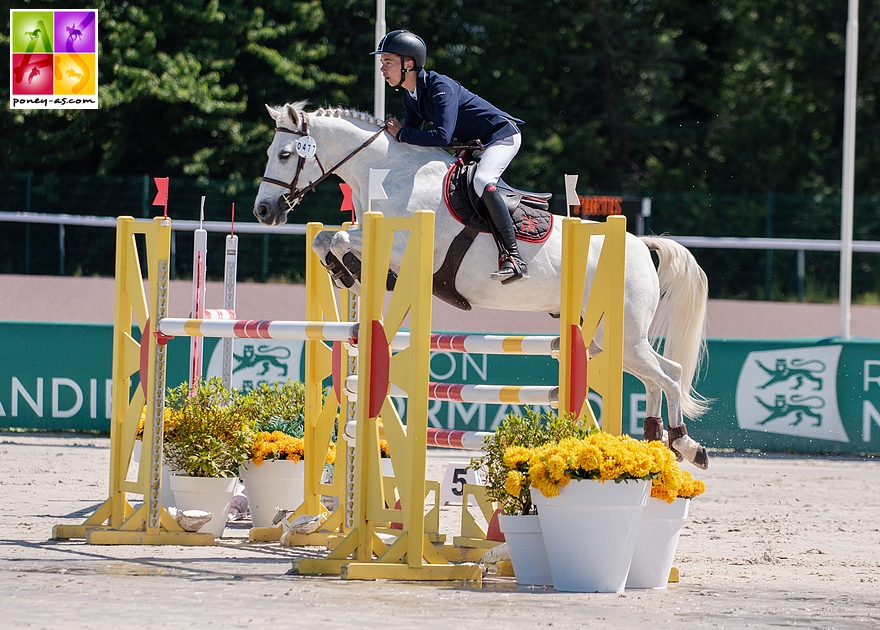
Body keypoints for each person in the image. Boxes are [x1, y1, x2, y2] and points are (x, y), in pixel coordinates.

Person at [371, 29, 529, 284]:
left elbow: (441, 136)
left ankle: (513, 258)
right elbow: (411, 140)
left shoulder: (439, 86)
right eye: (382, 63)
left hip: (500, 137)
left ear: (408, 64)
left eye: (388, 62)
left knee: (483, 181)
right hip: (475, 145)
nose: (382, 69)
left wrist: (400, 134)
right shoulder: (411, 97)